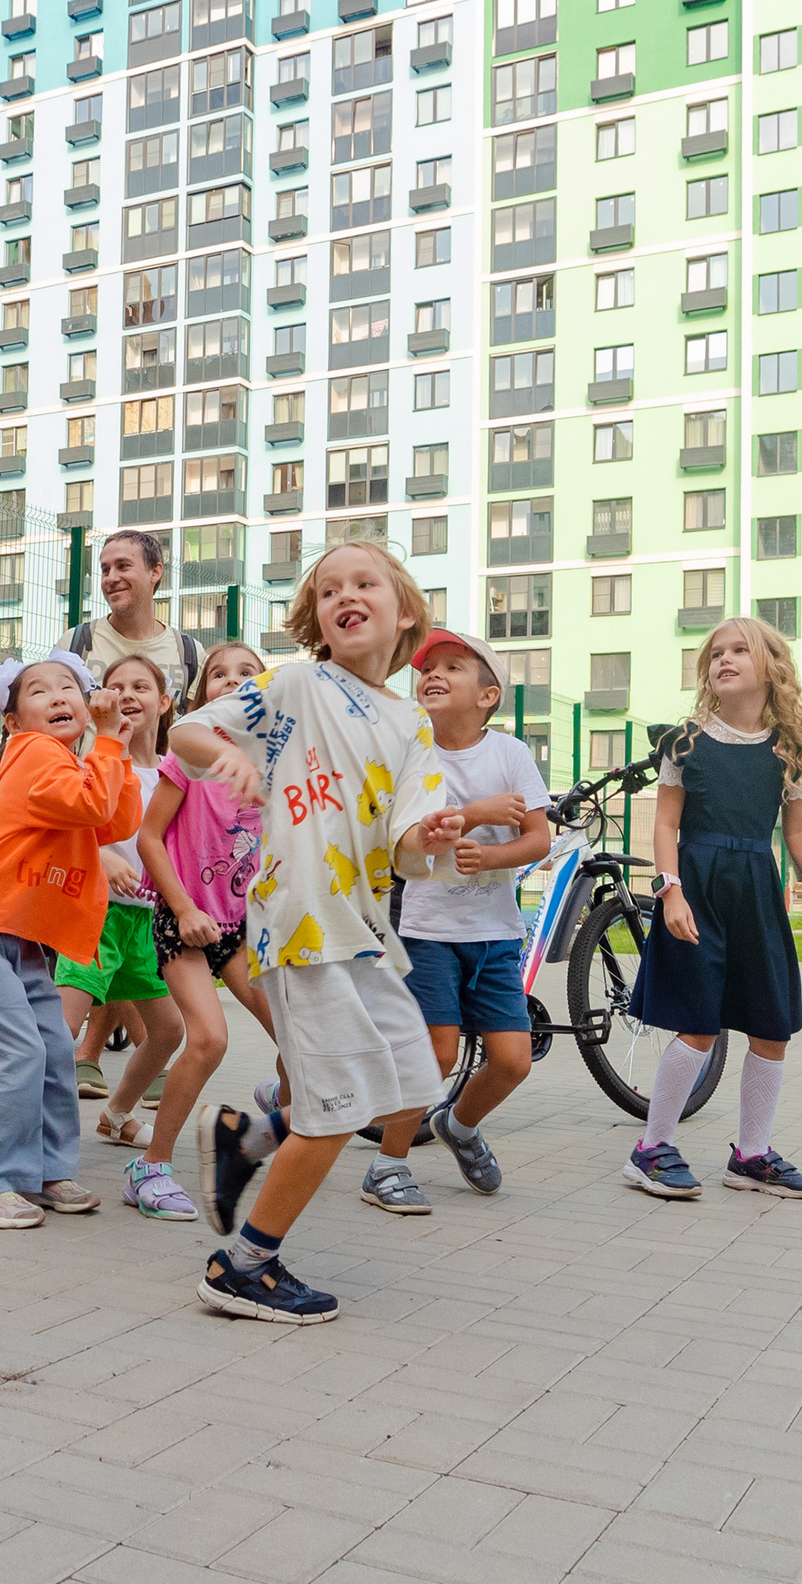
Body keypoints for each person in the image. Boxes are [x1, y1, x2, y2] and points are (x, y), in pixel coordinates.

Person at [170, 542, 467, 1323]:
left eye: (364, 583)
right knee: (339, 1108)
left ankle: (251, 1135)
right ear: (318, 620)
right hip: (300, 919)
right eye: (329, 589)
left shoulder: (414, 724)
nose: (346, 595)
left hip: (364, 929)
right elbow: (190, 734)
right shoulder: (298, 682)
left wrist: (429, 838)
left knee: (412, 1083)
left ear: (404, 613)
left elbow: (405, 841)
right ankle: (243, 1266)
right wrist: (226, 758)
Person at [622, 616, 802, 1203]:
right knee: (698, 1025)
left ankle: (751, 1156)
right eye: (715, 653)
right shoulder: (684, 740)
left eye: (738, 650)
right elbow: (666, 823)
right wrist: (669, 890)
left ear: (770, 666)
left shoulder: (790, 748)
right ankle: (651, 1148)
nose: (723, 659)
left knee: (771, 1029)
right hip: (695, 887)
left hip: (755, 890)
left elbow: (797, 833)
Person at [0, 652, 137, 1227]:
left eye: (69, 686)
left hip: (13, 938)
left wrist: (121, 744)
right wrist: (110, 742)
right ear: (13, 722)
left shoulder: (64, 762)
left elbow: (113, 821)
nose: (61, 696)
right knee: (15, 1051)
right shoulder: (35, 754)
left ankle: (42, 1170)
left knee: (51, 1051)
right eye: (39, 692)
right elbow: (95, 804)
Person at [108, 642, 280, 1224]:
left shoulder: (273, 762)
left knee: (297, 1039)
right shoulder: (188, 755)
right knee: (207, 1039)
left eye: (246, 674)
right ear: (200, 692)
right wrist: (181, 908)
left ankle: (274, 1115)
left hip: (242, 925)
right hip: (184, 919)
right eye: (217, 675)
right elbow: (151, 838)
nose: (231, 682)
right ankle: (151, 1168)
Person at [391, 628, 552, 1207]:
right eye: (427, 667)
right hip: (429, 931)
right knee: (435, 1054)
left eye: (453, 666)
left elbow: (538, 838)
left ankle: (458, 1126)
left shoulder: (509, 753)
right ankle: (388, 1164)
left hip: (495, 934)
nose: (433, 673)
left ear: (488, 695)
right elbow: (407, 837)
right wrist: (474, 814)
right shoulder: (410, 750)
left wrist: (490, 855)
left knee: (512, 1061)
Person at [59, 657, 186, 1195]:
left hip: (144, 921)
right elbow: (64, 822)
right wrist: (99, 855)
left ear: (165, 701)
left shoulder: (176, 770)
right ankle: (28, 1137)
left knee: (171, 1031)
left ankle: (116, 1112)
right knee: (57, 1033)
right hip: (94, 913)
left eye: (142, 685)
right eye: (117, 687)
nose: (129, 694)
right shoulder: (97, 757)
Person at [63, 529, 206, 710]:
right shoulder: (75, 645)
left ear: (155, 572)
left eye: (123, 566)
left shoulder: (188, 653)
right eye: (106, 570)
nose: (111, 578)